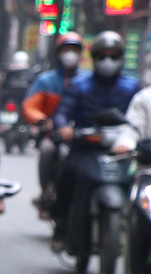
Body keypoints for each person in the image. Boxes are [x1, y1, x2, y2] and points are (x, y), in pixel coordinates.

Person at [51, 31, 139, 251]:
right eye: (102, 55)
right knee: (68, 174)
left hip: (121, 151)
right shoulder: (80, 84)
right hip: (85, 147)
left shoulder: (132, 87)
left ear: (120, 56)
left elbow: (140, 117)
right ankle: (61, 224)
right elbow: (62, 111)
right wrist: (63, 127)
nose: (107, 61)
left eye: (113, 55)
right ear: (94, 57)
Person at [22, 32, 84, 218]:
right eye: (66, 50)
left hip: (80, 136)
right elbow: (29, 106)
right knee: (47, 151)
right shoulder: (46, 80)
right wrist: (42, 120)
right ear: (58, 52)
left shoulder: (85, 81)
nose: (70, 54)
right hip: (52, 135)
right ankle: (46, 191)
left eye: (74, 50)